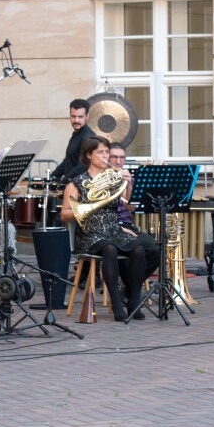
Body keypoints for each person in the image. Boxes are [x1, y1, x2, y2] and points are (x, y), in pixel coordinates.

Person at [60, 136, 157, 321]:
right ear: (89, 155)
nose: (105, 156)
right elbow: (64, 214)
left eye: (107, 152)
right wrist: (87, 208)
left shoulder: (114, 178)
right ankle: (117, 303)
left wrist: (128, 184)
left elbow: (130, 208)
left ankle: (133, 299)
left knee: (138, 248)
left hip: (113, 228)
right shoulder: (76, 183)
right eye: (100, 152)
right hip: (90, 232)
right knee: (109, 249)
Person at [51, 98, 94, 182]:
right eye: (73, 116)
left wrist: (63, 181)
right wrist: (52, 177)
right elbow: (69, 160)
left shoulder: (88, 137)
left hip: (79, 188)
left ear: (87, 116)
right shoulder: (77, 135)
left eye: (80, 117)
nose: (76, 120)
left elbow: (82, 167)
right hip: (72, 185)